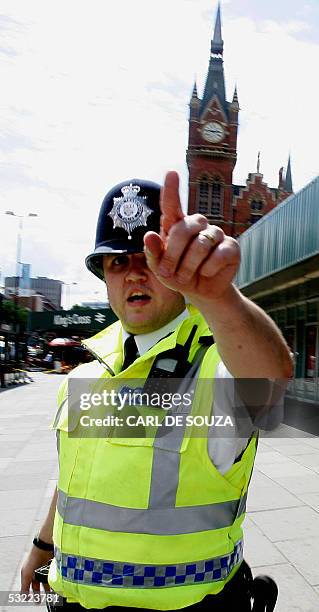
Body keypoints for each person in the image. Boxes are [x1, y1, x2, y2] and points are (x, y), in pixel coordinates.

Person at [21, 172, 292, 611]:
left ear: (175, 272)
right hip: (73, 599)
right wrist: (42, 545)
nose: (133, 276)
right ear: (104, 279)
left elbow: (270, 379)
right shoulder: (88, 372)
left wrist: (220, 299)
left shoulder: (212, 367)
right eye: (117, 263)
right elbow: (78, 476)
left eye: (148, 260)